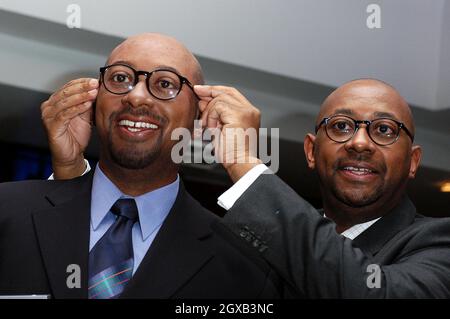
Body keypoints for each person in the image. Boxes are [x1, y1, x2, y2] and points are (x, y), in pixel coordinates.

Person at [0, 33, 280, 299]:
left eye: (165, 84)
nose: (136, 97)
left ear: (198, 122)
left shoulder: (242, 265)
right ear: (94, 103)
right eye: (121, 78)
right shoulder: (8, 210)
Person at [197, 79, 450, 298]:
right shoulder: (248, 236)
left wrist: (241, 161)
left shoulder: (438, 243)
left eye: (384, 129)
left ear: (413, 162)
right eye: (341, 126)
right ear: (311, 152)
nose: (359, 143)